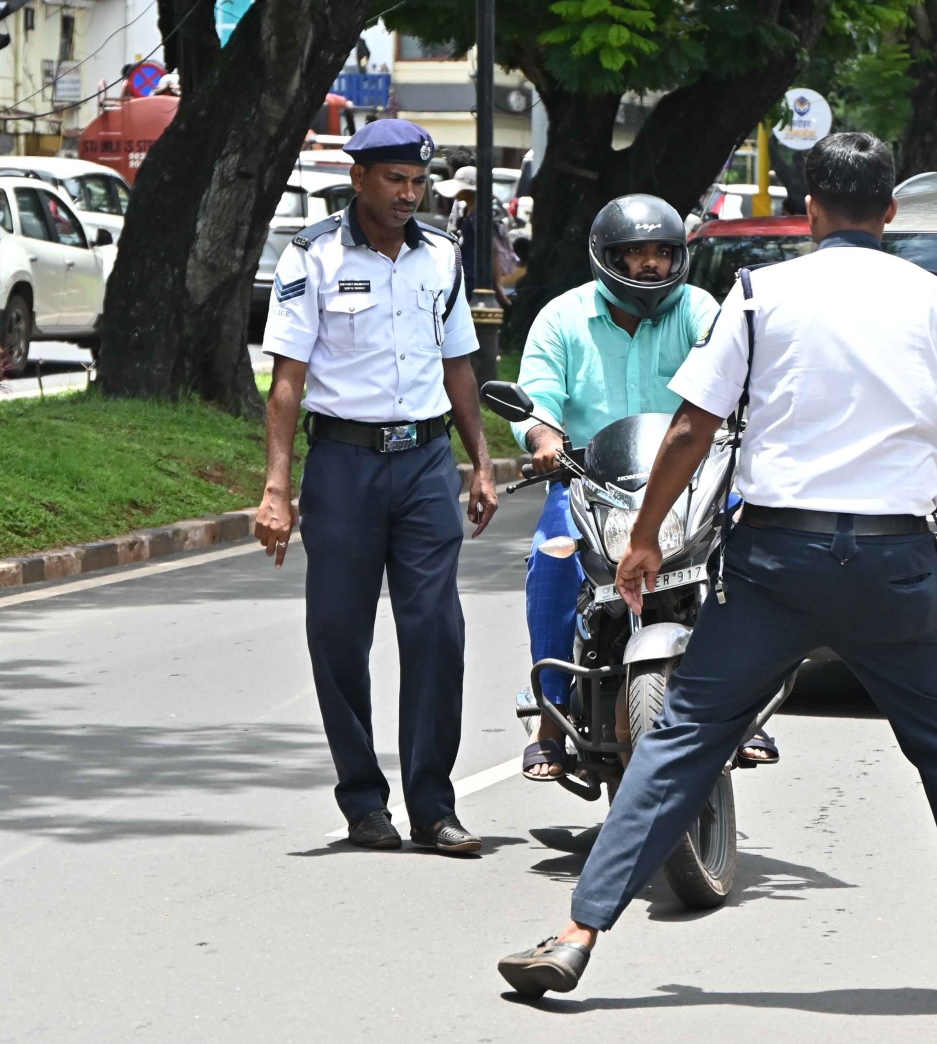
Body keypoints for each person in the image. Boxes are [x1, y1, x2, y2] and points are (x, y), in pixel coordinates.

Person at [497, 132, 937, 1008]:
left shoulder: (760, 295)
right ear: (890, 213)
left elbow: (691, 428)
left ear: (809, 209)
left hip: (777, 561)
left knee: (686, 738)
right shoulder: (936, 301)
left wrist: (646, 535)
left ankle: (578, 934)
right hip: (893, 568)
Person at [255, 119, 500, 855]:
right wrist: (276, 489)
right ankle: (364, 802)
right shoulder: (314, 256)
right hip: (344, 465)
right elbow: (286, 383)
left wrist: (482, 461)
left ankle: (433, 806)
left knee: (436, 632)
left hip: (425, 463)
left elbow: (460, 366)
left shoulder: (443, 257)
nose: (408, 194)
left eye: (418, 181)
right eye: (394, 180)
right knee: (338, 635)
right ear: (359, 178)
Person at [513, 194, 778, 781]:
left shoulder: (701, 310)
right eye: (634, 255)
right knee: (552, 557)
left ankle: (746, 707)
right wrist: (543, 439)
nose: (651, 265)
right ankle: (552, 717)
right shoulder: (562, 317)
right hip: (589, 481)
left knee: (752, 552)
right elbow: (535, 400)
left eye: (663, 253)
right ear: (606, 257)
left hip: (693, 481)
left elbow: (740, 380)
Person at [435, 165, 514, 307]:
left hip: (476, 279)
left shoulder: (481, 213)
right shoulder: (464, 209)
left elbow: (493, 248)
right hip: (463, 275)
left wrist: (497, 285)